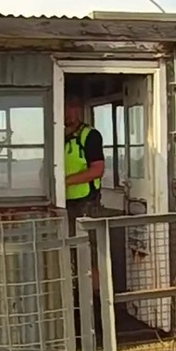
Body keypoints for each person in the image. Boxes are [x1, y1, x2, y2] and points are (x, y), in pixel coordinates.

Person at [64, 94, 106, 293]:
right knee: (69, 252)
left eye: (72, 107)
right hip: (63, 205)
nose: (67, 112)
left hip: (86, 204)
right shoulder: (55, 136)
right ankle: (75, 296)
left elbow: (97, 169)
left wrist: (64, 182)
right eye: (64, 107)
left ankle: (96, 298)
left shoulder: (90, 136)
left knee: (90, 253)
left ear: (79, 109)